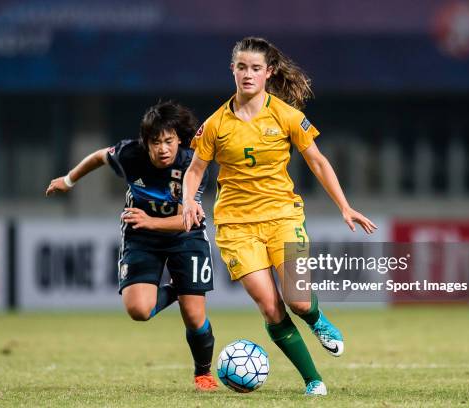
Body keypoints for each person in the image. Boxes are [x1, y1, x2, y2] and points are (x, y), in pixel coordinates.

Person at [182, 37, 377, 396]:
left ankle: (316, 319)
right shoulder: (214, 124)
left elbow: (317, 160)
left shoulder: (286, 116)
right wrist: (188, 200)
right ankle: (313, 380)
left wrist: (344, 206)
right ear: (233, 70)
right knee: (271, 308)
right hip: (236, 227)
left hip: (282, 217)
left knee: (298, 300)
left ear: (269, 72)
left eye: (256, 68)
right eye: (241, 67)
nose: (248, 74)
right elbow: (195, 169)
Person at [46, 101, 218, 391]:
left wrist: (150, 221)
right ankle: (180, 289)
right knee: (139, 310)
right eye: (156, 142)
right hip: (141, 237)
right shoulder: (130, 154)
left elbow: (187, 220)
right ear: (145, 142)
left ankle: (203, 373)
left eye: (169, 141)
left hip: (184, 236)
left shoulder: (194, 163)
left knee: (194, 315)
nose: (163, 149)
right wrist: (68, 179)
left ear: (179, 140)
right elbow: (100, 156)